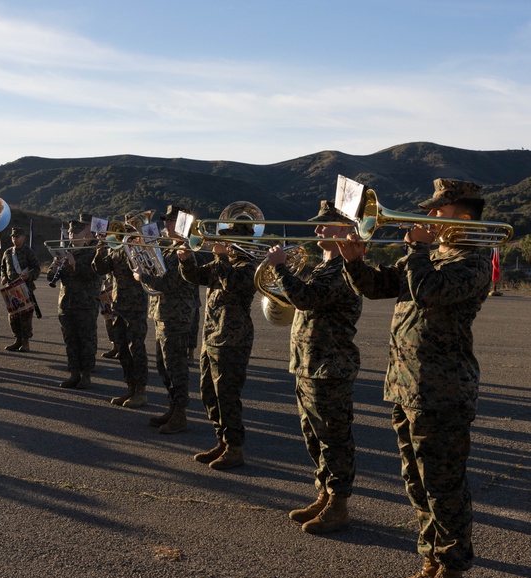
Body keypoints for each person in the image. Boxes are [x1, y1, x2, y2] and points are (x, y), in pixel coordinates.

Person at [339, 178, 492, 578]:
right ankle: (431, 562)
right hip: (407, 384)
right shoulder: (435, 255)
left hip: (442, 391)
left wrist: (418, 250)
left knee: (444, 488)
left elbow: (428, 292)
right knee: (417, 483)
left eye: (437, 211)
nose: (428, 217)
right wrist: (354, 262)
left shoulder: (473, 261)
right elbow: (378, 285)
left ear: (462, 214)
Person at [267, 201, 362, 531]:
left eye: (325, 225)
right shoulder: (323, 265)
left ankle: (338, 505)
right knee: (314, 437)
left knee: (334, 439)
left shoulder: (344, 270)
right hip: (308, 364)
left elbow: (306, 299)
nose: (318, 230)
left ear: (346, 230)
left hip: (330, 366)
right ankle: (324, 495)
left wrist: (279, 268)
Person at [176, 204, 259, 469]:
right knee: (208, 394)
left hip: (233, 340)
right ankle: (222, 441)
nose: (224, 240)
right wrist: (185, 258)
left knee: (227, 396)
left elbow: (232, 283)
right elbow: (195, 276)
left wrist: (222, 257)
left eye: (231, 237)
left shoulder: (249, 265)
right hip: (211, 336)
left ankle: (235, 448)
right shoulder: (224, 262)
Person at [134, 205, 198, 434]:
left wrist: (144, 277)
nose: (166, 225)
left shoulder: (186, 249)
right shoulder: (170, 249)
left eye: (171, 221)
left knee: (176, 367)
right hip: (162, 314)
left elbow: (170, 284)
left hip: (176, 317)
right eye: (166, 221)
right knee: (163, 366)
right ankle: (172, 407)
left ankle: (180, 414)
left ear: (182, 224)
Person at [93, 224, 149, 408]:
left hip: (136, 308)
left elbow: (150, 271)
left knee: (137, 350)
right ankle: (130, 388)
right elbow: (101, 270)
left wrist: (137, 249)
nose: (125, 238)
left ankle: (141, 391)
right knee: (123, 350)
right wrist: (99, 254)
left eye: (129, 235)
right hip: (118, 307)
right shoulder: (116, 252)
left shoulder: (141, 252)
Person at [55, 215, 101, 389]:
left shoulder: (93, 252)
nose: (71, 235)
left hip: (86, 304)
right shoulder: (66, 252)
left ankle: (86, 375)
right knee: (71, 341)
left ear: (85, 233)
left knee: (86, 341)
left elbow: (93, 275)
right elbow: (54, 278)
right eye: (69, 231)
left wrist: (75, 265)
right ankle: (74, 374)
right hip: (66, 303)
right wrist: (55, 268)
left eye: (76, 231)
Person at [0, 226, 41, 352]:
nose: (15, 239)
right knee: (13, 316)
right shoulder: (7, 253)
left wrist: (29, 275)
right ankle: (17, 340)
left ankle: (25, 342)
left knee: (25, 317)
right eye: (13, 237)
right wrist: (4, 277)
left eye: (17, 236)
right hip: (11, 289)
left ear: (23, 237)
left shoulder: (28, 252)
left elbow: (36, 268)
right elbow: (3, 268)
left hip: (25, 288)